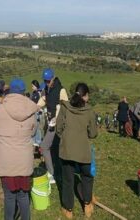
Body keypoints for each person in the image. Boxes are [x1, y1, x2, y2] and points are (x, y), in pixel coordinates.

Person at [0, 79, 38, 220]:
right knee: (24, 195)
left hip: (5, 159)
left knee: (9, 196)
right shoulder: (31, 110)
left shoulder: (1, 109)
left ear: (10, 91)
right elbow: (33, 130)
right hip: (24, 159)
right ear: (23, 92)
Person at [56, 83, 98, 219]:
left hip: (67, 150)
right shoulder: (89, 111)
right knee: (86, 178)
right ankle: (87, 205)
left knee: (68, 180)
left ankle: (68, 210)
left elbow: (58, 129)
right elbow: (93, 134)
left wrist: (66, 138)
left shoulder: (64, 107)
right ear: (85, 96)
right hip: (83, 152)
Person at [37, 68, 69, 184]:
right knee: (54, 148)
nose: (46, 83)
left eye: (48, 81)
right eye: (45, 81)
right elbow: (42, 101)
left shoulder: (61, 90)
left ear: (53, 78)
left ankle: (52, 173)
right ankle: (58, 173)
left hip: (58, 124)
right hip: (50, 122)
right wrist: (34, 107)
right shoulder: (46, 89)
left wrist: (57, 117)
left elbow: (66, 107)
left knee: (44, 146)